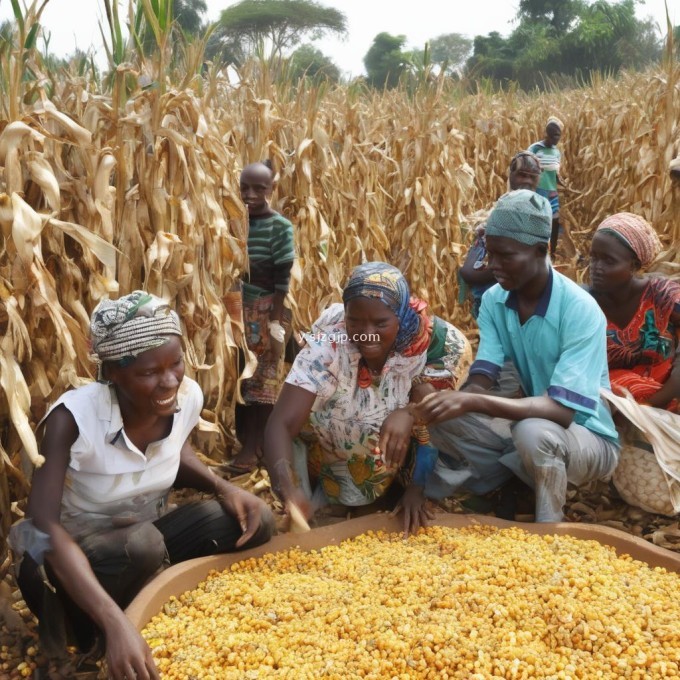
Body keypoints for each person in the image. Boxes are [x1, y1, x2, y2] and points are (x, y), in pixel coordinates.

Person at [9, 291, 274, 680]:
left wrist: (225, 488)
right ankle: (92, 633)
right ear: (112, 372)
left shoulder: (185, 397)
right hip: (61, 559)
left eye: (176, 364)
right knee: (142, 545)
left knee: (258, 520)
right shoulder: (72, 419)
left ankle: (155, 607)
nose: (169, 381)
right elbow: (40, 527)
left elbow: (172, 456)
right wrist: (116, 624)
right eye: (149, 372)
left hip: (141, 534)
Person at [412, 190, 620, 523]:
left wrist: (473, 403)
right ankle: (508, 481)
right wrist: (452, 403)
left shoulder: (580, 310)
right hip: (535, 426)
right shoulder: (496, 300)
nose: (492, 266)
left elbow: (562, 412)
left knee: (532, 432)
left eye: (505, 256)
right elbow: (483, 375)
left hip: (588, 439)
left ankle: (548, 527)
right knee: (440, 411)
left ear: (541, 251)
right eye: (489, 254)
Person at [263, 262, 471, 536]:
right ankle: (329, 494)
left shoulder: (434, 345)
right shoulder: (330, 343)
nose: (366, 333)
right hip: (335, 447)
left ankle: (397, 490)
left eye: (380, 323)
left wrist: (410, 416)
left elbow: (437, 417)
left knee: (427, 403)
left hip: (408, 452)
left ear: (401, 316)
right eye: (355, 322)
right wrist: (288, 490)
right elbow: (282, 423)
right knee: (340, 420)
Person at [227, 161, 296, 474]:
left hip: (266, 308)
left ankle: (257, 445)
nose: (250, 194)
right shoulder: (233, 221)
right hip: (235, 308)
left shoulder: (279, 226)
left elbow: (283, 276)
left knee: (263, 379)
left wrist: (275, 321)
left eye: (259, 188)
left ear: (271, 190)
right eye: (245, 187)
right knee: (241, 374)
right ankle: (247, 439)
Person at [588, 212, 680, 411]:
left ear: (634, 266)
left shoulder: (662, 296)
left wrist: (654, 403)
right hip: (606, 407)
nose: (596, 268)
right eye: (593, 258)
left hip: (666, 404)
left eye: (608, 261)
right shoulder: (583, 303)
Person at [460, 151, 542, 319]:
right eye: (522, 175)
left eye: (532, 177)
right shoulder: (507, 203)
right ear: (510, 175)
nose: (527, 181)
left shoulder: (536, 210)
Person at [529, 116, 565, 256]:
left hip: (552, 191)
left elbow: (555, 173)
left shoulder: (556, 152)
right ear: (547, 134)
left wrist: (561, 182)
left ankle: (552, 252)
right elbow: (525, 165)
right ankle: (536, 251)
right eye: (554, 135)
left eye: (559, 135)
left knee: (555, 219)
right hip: (538, 191)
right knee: (539, 220)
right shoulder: (535, 148)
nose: (557, 138)